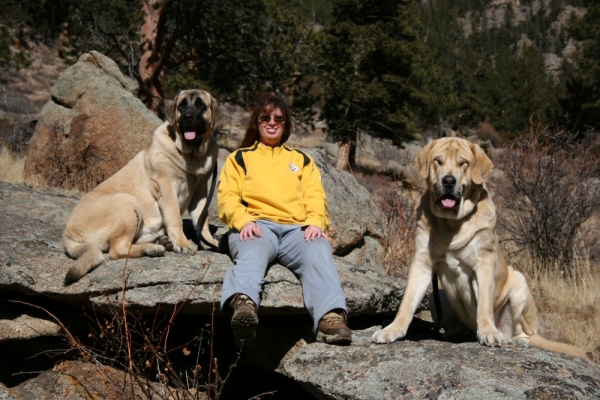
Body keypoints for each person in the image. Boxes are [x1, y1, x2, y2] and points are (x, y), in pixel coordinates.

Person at [217, 94, 351, 348]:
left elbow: (315, 196)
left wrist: (315, 222)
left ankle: (330, 317)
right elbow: (227, 198)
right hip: (256, 224)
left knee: (319, 250)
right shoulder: (240, 158)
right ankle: (244, 307)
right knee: (252, 250)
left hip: (295, 231)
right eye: (265, 117)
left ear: (286, 125)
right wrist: (243, 220)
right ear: (256, 123)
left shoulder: (301, 160)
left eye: (279, 119)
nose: (272, 122)